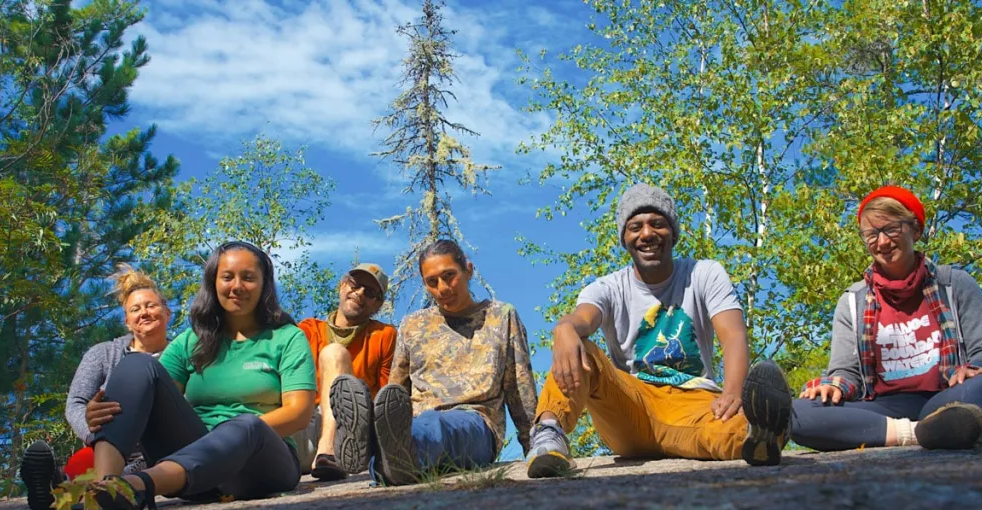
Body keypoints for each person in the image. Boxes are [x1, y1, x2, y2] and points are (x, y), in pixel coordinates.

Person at [523, 183, 793, 478]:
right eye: (635, 227)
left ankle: (762, 436)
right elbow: (583, 318)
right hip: (631, 406)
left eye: (657, 224)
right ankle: (549, 435)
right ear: (624, 239)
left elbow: (733, 335)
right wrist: (564, 328)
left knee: (733, 430)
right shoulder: (607, 288)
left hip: (695, 405)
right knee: (580, 347)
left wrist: (732, 394)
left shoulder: (704, 274)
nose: (647, 233)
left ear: (673, 233)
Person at [66, 241, 316, 510]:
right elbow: (148, 396)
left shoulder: (287, 338)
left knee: (247, 424)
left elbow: (299, 414)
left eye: (248, 277)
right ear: (213, 283)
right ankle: (106, 491)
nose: (237, 286)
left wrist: (223, 440)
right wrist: (102, 412)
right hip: (195, 470)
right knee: (136, 364)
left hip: (259, 465)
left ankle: (136, 486)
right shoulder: (191, 340)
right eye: (227, 277)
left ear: (264, 285)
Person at [792, 186, 982, 451]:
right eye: (871, 234)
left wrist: (976, 368)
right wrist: (833, 386)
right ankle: (927, 433)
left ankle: (948, 424)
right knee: (798, 412)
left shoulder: (955, 284)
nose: (882, 242)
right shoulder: (851, 301)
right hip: (881, 410)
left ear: (915, 230)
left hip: (948, 397)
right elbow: (846, 371)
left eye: (891, 229)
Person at [370, 239, 537, 485]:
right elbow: (395, 393)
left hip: (477, 424)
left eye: (449, 276)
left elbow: (520, 388)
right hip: (417, 419)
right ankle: (388, 459)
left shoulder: (501, 316)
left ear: (468, 270)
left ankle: (392, 453)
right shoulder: (412, 325)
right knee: (415, 426)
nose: (443, 288)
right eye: (432, 282)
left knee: (437, 426)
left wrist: (534, 447)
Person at [19, 266, 171, 510]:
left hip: (162, 448)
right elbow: (76, 402)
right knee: (83, 467)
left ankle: (91, 489)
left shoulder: (184, 354)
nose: (144, 313)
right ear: (127, 321)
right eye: (135, 309)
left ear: (167, 312)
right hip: (107, 446)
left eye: (151, 306)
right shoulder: (103, 354)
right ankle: (54, 487)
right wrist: (94, 432)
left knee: (158, 465)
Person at [295, 264, 396, 480]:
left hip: (352, 433)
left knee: (334, 354)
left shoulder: (384, 336)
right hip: (308, 427)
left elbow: (386, 397)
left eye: (370, 292)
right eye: (355, 284)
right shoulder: (308, 330)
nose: (359, 293)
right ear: (342, 286)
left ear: (377, 304)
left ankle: (329, 451)